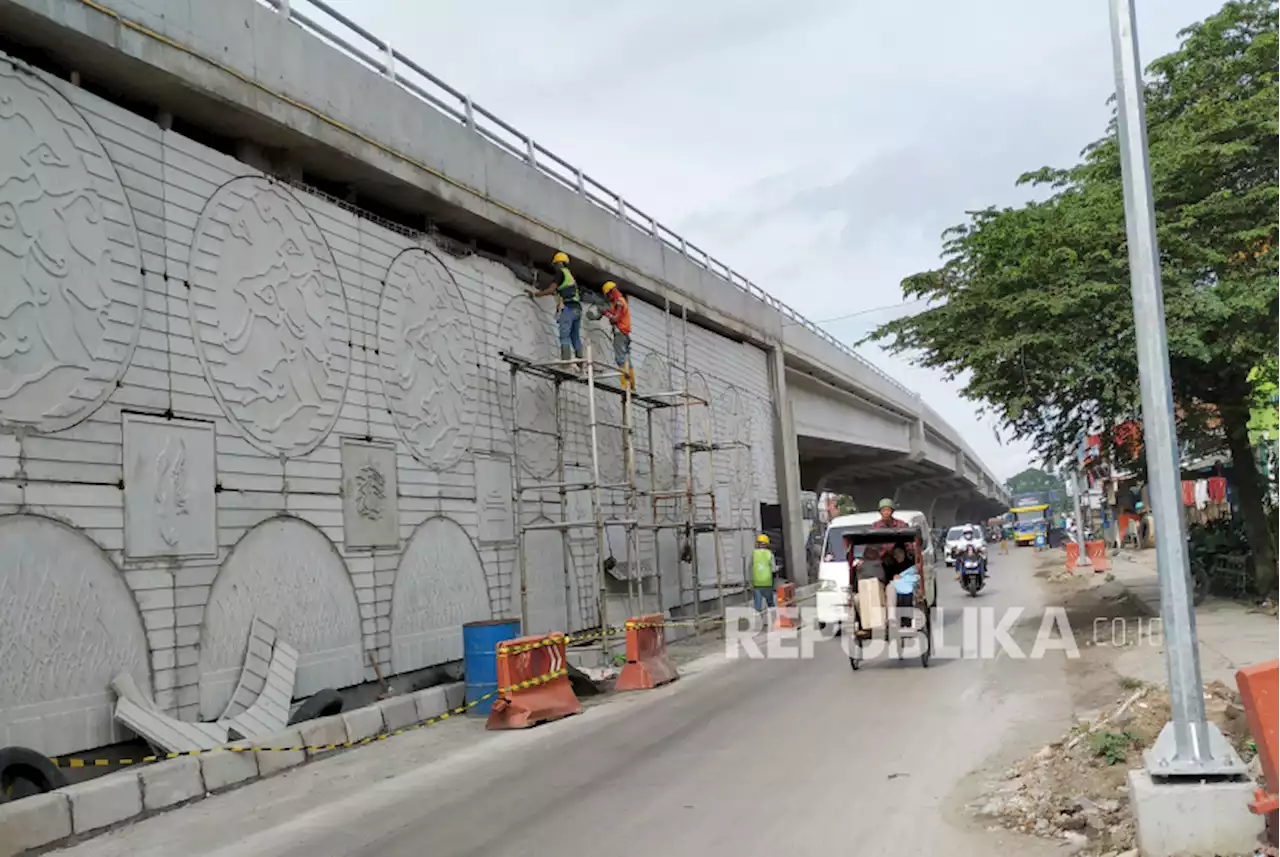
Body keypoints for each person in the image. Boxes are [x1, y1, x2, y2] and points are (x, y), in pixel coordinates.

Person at [531, 251, 583, 366]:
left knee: (564, 336)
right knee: (575, 337)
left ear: (558, 263)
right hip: (578, 309)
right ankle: (582, 365)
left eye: (555, 265)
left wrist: (535, 294)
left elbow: (551, 290)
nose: (555, 268)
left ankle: (565, 364)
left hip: (569, 308)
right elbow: (561, 292)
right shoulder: (570, 275)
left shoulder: (560, 273)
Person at [600, 281, 635, 390]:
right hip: (625, 334)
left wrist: (605, 313)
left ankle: (624, 385)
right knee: (627, 360)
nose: (608, 298)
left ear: (612, 292)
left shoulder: (619, 303)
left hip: (620, 333)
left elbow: (615, 319)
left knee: (620, 359)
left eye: (608, 295)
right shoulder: (621, 301)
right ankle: (632, 386)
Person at [889, 546, 920, 629]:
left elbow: (916, 576)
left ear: (903, 553)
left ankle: (907, 620)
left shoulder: (910, 564)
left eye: (899, 553)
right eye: (895, 554)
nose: (897, 556)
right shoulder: (892, 567)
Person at [751, 534, 777, 621]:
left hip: (757, 583)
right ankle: (773, 620)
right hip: (767, 582)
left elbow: (750, 568)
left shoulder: (753, 554)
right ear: (767, 544)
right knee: (770, 603)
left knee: (757, 606)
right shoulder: (770, 554)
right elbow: (773, 569)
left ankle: (757, 623)